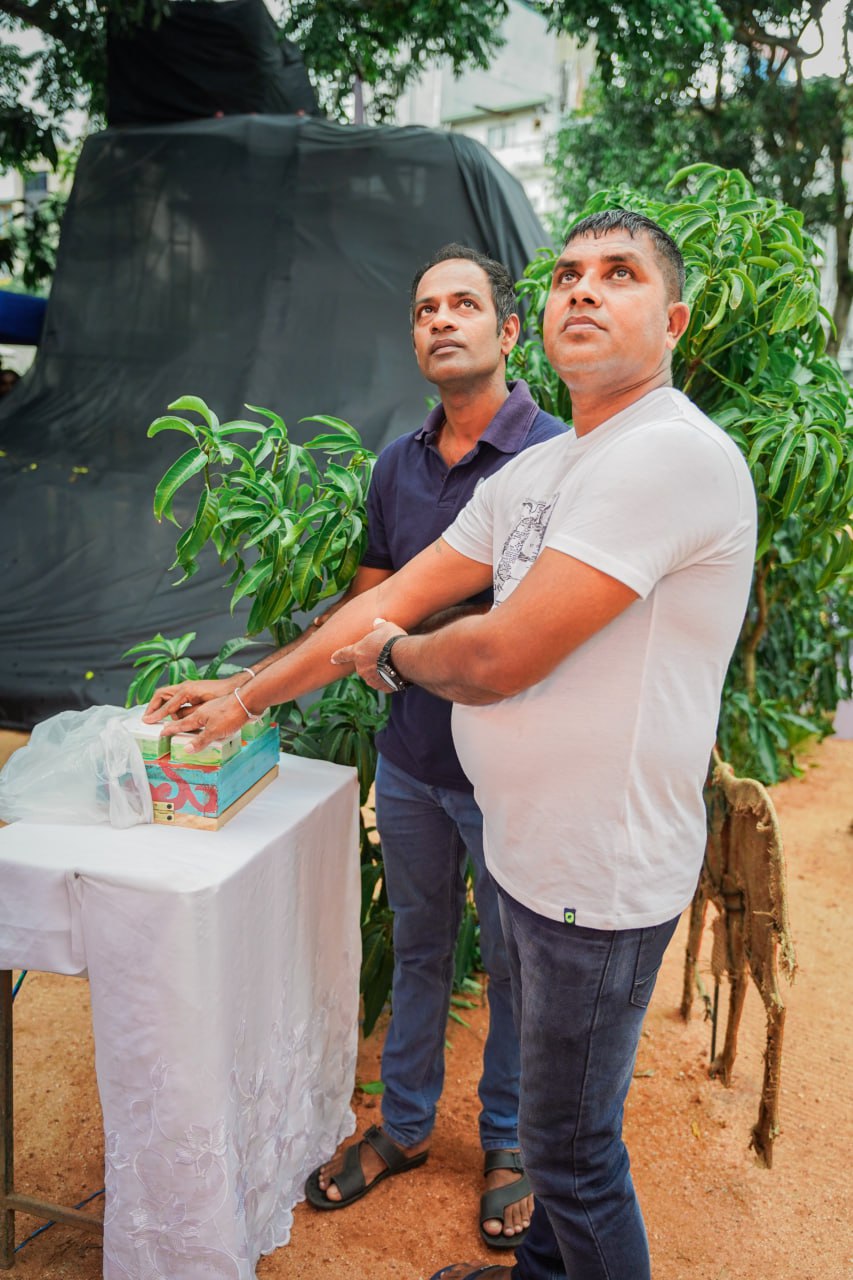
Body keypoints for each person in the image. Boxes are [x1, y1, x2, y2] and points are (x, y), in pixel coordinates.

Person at [145, 210, 757, 1280]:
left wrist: (397, 652)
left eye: (616, 275)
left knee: (570, 1157)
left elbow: (493, 656)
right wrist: (249, 693)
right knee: (567, 1143)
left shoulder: (668, 455)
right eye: (568, 271)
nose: (582, 288)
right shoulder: (545, 472)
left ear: (673, 319)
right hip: (529, 851)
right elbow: (387, 600)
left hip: (597, 877)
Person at [149, 243, 565, 1247]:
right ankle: (409, 1125)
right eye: (425, 307)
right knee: (423, 947)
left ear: (509, 332)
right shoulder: (397, 463)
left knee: (516, 963)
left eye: (464, 304)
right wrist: (249, 683)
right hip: (415, 762)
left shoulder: (556, 458)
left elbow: (522, 629)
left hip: (518, 770)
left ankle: (510, 1141)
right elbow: (366, 607)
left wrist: (393, 642)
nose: (441, 320)